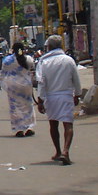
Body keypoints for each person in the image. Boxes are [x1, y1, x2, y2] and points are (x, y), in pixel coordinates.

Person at [36, 34, 82, 165]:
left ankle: (58, 151)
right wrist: (77, 94)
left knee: (53, 125)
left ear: (49, 47)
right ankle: (65, 151)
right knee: (68, 125)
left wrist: (40, 100)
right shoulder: (68, 60)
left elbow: (41, 82)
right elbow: (76, 79)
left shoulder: (44, 62)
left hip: (50, 97)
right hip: (66, 95)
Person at [0, 41, 36, 138]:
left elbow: (3, 73)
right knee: (28, 106)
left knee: (15, 108)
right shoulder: (29, 59)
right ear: (23, 49)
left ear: (13, 50)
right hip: (26, 86)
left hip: (13, 87)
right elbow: (32, 71)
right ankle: (29, 128)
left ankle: (19, 129)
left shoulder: (8, 60)